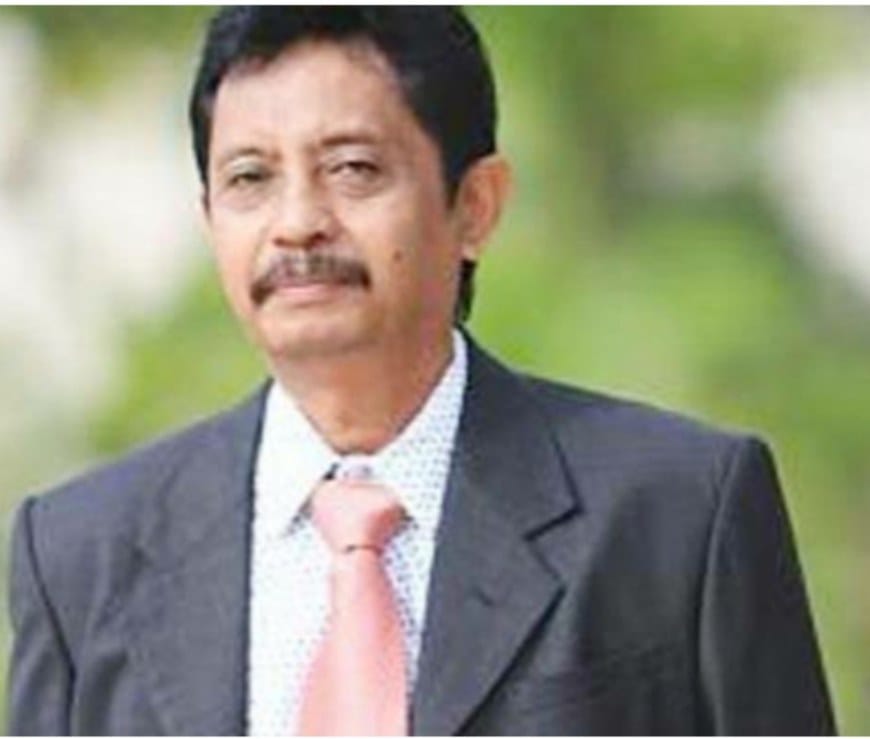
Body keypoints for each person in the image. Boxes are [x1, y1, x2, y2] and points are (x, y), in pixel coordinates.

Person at [7, 7, 836, 736]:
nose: (297, 223)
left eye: (352, 169)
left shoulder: (678, 511)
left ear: (475, 205)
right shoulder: (80, 555)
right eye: (250, 178)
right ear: (210, 218)